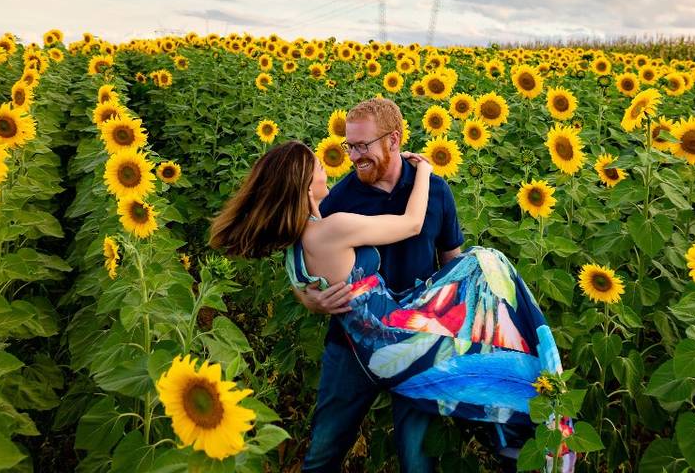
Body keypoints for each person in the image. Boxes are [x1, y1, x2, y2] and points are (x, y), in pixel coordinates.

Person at [209, 139, 576, 472]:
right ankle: (527, 419)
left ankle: (513, 426)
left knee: (331, 453)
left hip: (375, 339)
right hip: (393, 336)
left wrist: (310, 297)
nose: (332, 164)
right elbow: (412, 223)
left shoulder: (295, 240)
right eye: (319, 165)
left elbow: (307, 281)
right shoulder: (331, 226)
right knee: (489, 264)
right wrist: (427, 172)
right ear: (305, 184)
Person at [296, 98, 465, 472]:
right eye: (349, 146)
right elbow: (300, 253)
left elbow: (451, 258)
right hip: (351, 346)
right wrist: (310, 299)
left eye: (362, 145)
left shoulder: (435, 192)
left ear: (393, 140)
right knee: (324, 451)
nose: (354, 156)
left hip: (418, 341)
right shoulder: (340, 197)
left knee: (418, 459)